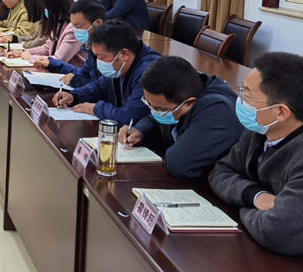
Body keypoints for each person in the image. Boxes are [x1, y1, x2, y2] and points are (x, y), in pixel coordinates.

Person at [208, 52, 303, 256]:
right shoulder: (260, 129)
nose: (240, 99)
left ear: (280, 112)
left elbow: (277, 231)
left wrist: (240, 206)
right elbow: (220, 171)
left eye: (248, 94)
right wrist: (254, 196)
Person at [120, 56, 240, 179]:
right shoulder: (182, 93)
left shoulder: (218, 111)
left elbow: (179, 164)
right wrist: (140, 132)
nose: (154, 111)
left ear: (189, 103)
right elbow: (154, 119)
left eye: (160, 109)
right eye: (149, 104)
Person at [54, 20, 160, 125]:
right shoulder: (120, 64)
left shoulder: (149, 73)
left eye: (102, 57)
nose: (98, 62)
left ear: (124, 54)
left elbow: (128, 117)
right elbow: (100, 87)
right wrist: (74, 96)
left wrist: (95, 108)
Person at [44, 0, 105, 88]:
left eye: (78, 26)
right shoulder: (91, 44)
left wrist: (76, 81)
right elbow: (85, 73)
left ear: (97, 23)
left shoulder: (110, 47)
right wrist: (51, 63)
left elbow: (103, 86)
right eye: (74, 26)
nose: (75, 31)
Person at [26, 0, 86, 66]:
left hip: (72, 71)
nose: (45, 11)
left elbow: (59, 59)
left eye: (46, 7)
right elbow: (47, 48)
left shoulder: (74, 28)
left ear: (57, 6)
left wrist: (31, 57)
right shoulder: (58, 23)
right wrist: (24, 52)